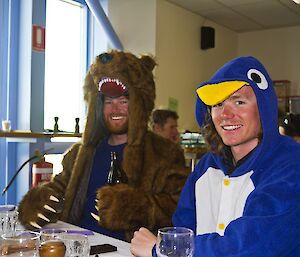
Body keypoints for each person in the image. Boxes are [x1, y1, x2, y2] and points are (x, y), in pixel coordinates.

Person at [130, 56, 300, 256]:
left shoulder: (290, 164)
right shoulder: (207, 165)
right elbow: (184, 225)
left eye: (239, 102)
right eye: (217, 104)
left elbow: (252, 245)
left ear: (264, 108)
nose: (225, 114)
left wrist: (163, 248)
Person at [18, 50, 189, 242]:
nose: (115, 109)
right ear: (98, 106)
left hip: (127, 251)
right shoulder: (78, 155)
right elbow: (58, 190)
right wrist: (37, 202)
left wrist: (135, 207)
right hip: (75, 246)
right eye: (109, 101)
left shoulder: (164, 153)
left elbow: (181, 209)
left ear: (139, 105)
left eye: (124, 101)